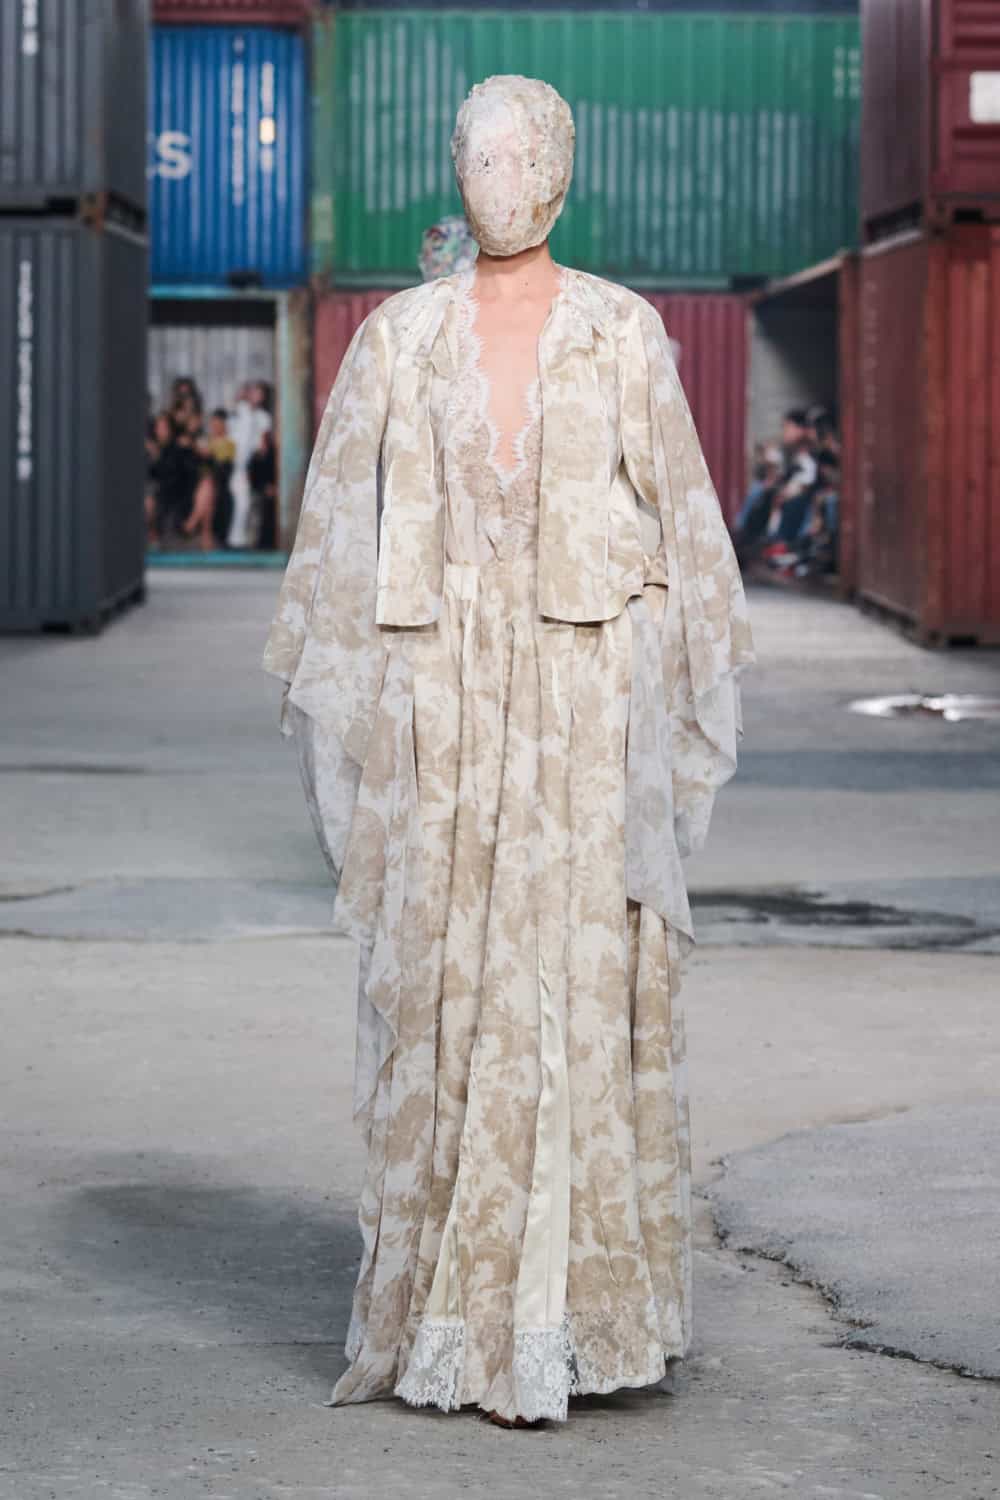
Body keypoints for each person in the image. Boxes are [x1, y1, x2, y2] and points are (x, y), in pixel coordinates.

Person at [263, 73, 754, 1429]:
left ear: (562, 172)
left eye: (521, 155)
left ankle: (579, 1315)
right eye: (477, 157)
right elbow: (338, 538)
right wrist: (372, 692)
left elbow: (685, 532)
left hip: (583, 713)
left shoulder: (622, 330)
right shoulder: (399, 339)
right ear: (455, 170)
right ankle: (454, 1315)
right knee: (450, 981)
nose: (499, 179)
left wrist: (644, 650)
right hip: (446, 710)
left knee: (573, 985)